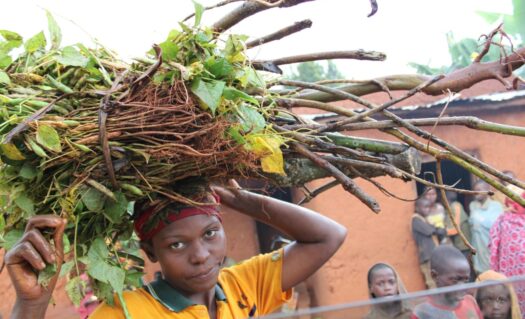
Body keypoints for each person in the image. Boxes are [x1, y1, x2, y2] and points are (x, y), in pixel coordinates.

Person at [4, 180, 347, 318]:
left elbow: (329, 236)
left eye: (211, 233)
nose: (200, 255)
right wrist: (30, 306)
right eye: (177, 244)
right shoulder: (127, 312)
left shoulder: (241, 285)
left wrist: (236, 198)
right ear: (150, 251)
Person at [411, 245, 482, 319]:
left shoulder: (470, 302)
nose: (462, 287)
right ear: (434, 276)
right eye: (455, 280)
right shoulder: (423, 313)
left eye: (465, 280)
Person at [489, 191, 525, 316]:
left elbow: (493, 247)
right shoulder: (502, 220)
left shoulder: (503, 220)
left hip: (508, 278)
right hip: (510, 278)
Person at [469, 180, 503, 274]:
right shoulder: (473, 205)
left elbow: (495, 225)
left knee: (493, 273)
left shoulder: (496, 206)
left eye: (479, 190)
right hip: (477, 247)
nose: (476, 192)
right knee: (480, 274)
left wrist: (479, 217)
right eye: (474, 190)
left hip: (489, 246)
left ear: (487, 190)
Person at [411, 198, 444, 289]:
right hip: (426, 256)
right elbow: (430, 231)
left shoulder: (424, 219)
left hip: (432, 255)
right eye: (425, 207)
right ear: (417, 208)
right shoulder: (416, 220)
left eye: (429, 207)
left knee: (437, 279)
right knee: (431, 281)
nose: (427, 209)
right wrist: (437, 229)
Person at [444, 191, 472, 257]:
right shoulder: (453, 206)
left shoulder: (455, 206)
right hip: (461, 244)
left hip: (462, 245)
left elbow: (455, 229)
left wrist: (443, 231)